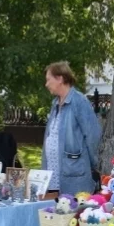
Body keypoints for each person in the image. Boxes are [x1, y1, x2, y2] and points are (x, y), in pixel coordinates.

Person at [40, 61, 102, 197]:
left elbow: (93, 136)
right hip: (54, 175)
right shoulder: (55, 103)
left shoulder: (79, 101)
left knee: (74, 214)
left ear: (60, 78)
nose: (46, 84)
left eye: (48, 80)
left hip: (74, 174)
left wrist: (93, 164)